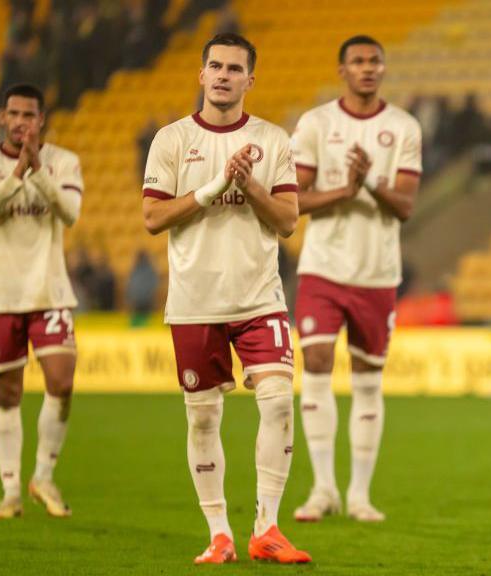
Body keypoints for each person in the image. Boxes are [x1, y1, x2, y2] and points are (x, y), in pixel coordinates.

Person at [141, 33, 309, 565]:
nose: (222, 75)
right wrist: (213, 188)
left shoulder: (273, 139)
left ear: (249, 80)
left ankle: (268, 528)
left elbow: (287, 221)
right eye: (215, 66)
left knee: (280, 402)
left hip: (259, 298)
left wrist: (249, 186)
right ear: (201, 74)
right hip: (195, 300)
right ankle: (220, 533)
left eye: (234, 69)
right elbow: (152, 218)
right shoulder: (170, 140)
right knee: (203, 419)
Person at [289, 34, 421, 524]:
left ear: (384, 68)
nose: (367, 68)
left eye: (374, 61)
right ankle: (323, 488)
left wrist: (366, 182)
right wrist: (342, 189)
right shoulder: (316, 124)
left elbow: (406, 206)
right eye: (358, 62)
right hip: (323, 268)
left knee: (368, 381)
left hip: (377, 272)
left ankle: (360, 494)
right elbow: (292, 200)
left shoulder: (403, 127)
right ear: (342, 69)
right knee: (318, 365)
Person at [0, 83, 82, 519]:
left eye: (30, 115)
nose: (21, 122)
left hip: (49, 289)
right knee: (6, 394)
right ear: (2, 118)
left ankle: (42, 474)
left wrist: (38, 171)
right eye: (14, 114)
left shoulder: (65, 161)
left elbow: (70, 213)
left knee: (62, 383)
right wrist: (16, 176)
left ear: (41, 120)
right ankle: (10, 491)